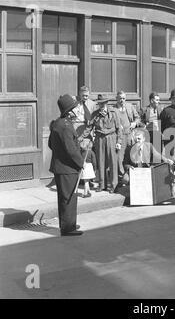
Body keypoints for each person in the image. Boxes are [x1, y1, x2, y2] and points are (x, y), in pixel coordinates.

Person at [48, 94, 84, 236]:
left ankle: (68, 224)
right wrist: (81, 163)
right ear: (70, 111)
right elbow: (71, 150)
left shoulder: (58, 123)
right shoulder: (66, 126)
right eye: (75, 108)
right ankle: (68, 228)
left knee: (65, 197)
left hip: (62, 168)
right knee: (69, 198)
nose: (77, 110)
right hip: (67, 169)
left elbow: (50, 144)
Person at [90, 95, 123, 193]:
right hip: (99, 139)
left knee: (113, 162)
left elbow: (119, 129)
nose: (101, 105)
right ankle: (102, 184)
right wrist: (82, 137)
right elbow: (89, 127)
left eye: (103, 103)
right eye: (100, 103)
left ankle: (114, 185)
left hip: (111, 138)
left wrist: (119, 142)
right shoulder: (95, 114)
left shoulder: (114, 112)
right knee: (101, 161)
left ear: (106, 103)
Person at [114, 90, 141, 185]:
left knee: (130, 155)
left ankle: (131, 175)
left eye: (124, 98)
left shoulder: (130, 107)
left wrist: (134, 123)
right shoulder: (114, 109)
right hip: (120, 137)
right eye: (120, 98)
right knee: (120, 157)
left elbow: (138, 118)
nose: (122, 100)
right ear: (116, 99)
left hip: (130, 135)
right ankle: (121, 177)